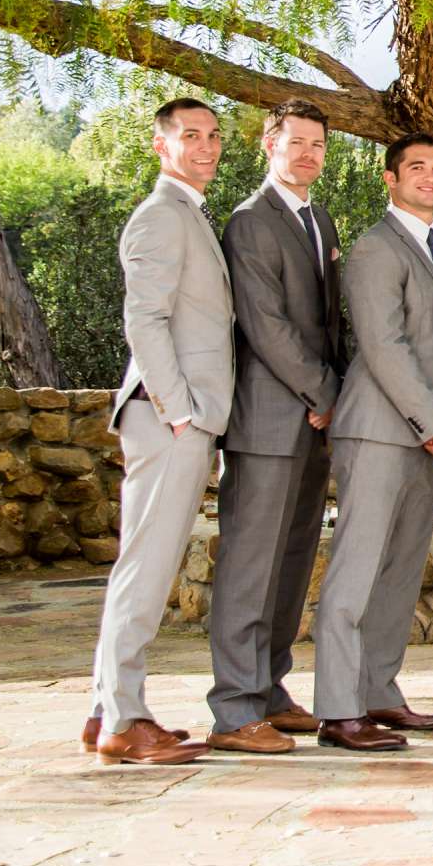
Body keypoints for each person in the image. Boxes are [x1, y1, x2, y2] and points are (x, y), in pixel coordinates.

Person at [86, 98, 232, 766]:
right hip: (167, 415)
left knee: (145, 563)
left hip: (180, 414)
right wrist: (180, 410)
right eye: (189, 135)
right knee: (145, 569)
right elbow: (143, 321)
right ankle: (123, 720)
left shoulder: (190, 216)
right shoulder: (159, 217)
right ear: (160, 146)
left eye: (212, 135)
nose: (204, 146)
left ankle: (104, 710)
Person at [315, 134, 433, 750]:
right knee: (356, 570)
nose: (428, 177)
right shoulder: (377, 248)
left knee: (401, 571)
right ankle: (338, 709)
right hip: (379, 430)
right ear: (390, 178)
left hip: (424, 438)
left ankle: (378, 691)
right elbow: (383, 345)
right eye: (416, 168)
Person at [207, 98, 345, 755]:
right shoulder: (249, 224)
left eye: (318, 144)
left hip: (315, 424)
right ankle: (234, 709)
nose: (308, 154)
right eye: (297, 142)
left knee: (292, 564)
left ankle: (269, 688)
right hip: (268, 421)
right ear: (270, 144)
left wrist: (332, 403)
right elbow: (267, 328)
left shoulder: (320, 219)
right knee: (250, 563)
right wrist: (327, 393)